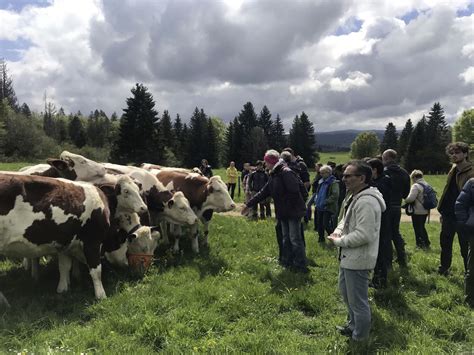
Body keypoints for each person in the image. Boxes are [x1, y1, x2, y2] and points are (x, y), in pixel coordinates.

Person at [328, 160, 386, 341]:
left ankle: (360, 338)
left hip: (359, 258)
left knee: (358, 301)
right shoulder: (353, 196)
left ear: (362, 178)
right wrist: (337, 232)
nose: (343, 178)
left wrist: (339, 242)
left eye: (348, 175)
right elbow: (344, 221)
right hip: (348, 256)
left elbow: (364, 234)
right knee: (347, 294)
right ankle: (353, 325)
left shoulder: (367, 202)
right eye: (343, 175)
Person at [242, 149, 309, 273]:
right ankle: (287, 262)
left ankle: (300, 265)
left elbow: (294, 192)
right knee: (286, 238)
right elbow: (263, 192)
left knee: (295, 239)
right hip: (283, 212)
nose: (265, 164)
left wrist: (288, 206)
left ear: (272, 161)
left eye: (266, 162)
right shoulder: (274, 174)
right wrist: (249, 204)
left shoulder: (286, 172)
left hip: (292, 212)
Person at [438, 142, 474, 276]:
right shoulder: (453, 169)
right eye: (452, 153)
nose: (454, 155)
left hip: (462, 215)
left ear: (465, 154)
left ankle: (468, 272)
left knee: (465, 246)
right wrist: (442, 210)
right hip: (448, 214)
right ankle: (444, 269)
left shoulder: (471, 172)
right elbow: (447, 191)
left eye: (457, 153)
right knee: (445, 243)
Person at [382, 149, 410, 267]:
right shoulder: (404, 173)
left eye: (383, 158)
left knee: (385, 234)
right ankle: (402, 258)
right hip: (397, 206)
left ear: (387, 158)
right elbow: (406, 193)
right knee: (395, 232)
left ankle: (387, 262)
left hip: (385, 206)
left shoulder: (384, 172)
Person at [368, 158, 392, 288]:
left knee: (380, 251)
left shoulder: (381, 184)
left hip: (381, 220)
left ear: (374, 170)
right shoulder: (381, 180)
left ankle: (380, 280)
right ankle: (377, 278)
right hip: (381, 219)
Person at [455, 178, 474, 307]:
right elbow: (460, 204)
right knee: (472, 267)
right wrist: (466, 223)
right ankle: (470, 299)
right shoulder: (472, 183)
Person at [404, 170, 431, 249]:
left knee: (417, 228)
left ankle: (420, 244)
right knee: (422, 226)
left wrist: (405, 199)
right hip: (426, 209)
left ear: (414, 177)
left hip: (417, 210)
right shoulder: (427, 184)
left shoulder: (416, 186)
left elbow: (410, 199)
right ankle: (426, 242)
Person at [314, 165, 339, 243]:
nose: (321, 174)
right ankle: (321, 239)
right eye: (320, 173)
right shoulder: (321, 181)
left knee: (326, 224)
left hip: (327, 207)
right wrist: (316, 200)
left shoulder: (333, 182)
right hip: (319, 206)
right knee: (319, 224)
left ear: (328, 173)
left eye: (323, 173)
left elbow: (335, 195)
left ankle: (333, 239)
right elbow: (318, 192)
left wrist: (325, 202)